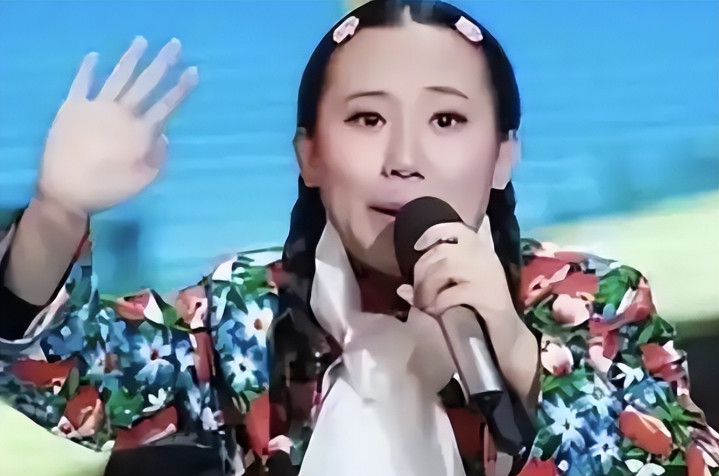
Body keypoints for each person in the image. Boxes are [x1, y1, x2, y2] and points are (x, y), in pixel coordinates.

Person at [1, 1, 717, 475]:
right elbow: (68, 377)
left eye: (445, 121)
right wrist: (57, 212)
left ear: (503, 156)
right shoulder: (243, 311)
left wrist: (516, 353)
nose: (403, 157)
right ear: (309, 156)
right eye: (367, 119)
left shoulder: (596, 302)